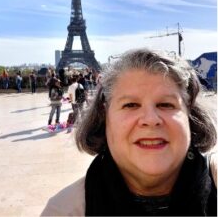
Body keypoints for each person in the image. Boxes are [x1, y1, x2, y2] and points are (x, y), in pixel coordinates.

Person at [41, 48, 217, 216]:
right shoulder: (62, 211)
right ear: (104, 116)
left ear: (190, 115)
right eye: (130, 105)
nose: (150, 119)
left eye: (166, 104)